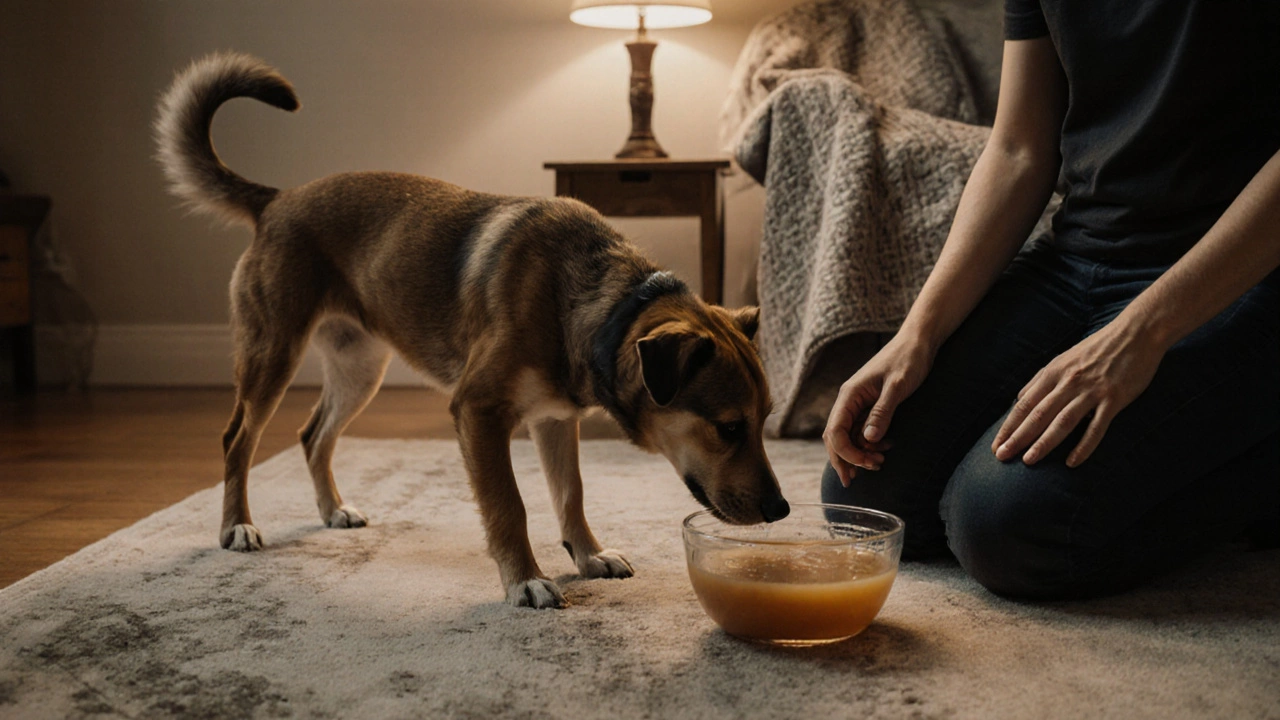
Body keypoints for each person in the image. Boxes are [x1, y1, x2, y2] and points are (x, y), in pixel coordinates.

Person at [819, 0, 1280, 600]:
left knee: (1004, 529)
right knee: (863, 493)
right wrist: (917, 336)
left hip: (1244, 271)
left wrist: (1137, 336)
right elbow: (1018, 148)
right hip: (1082, 257)